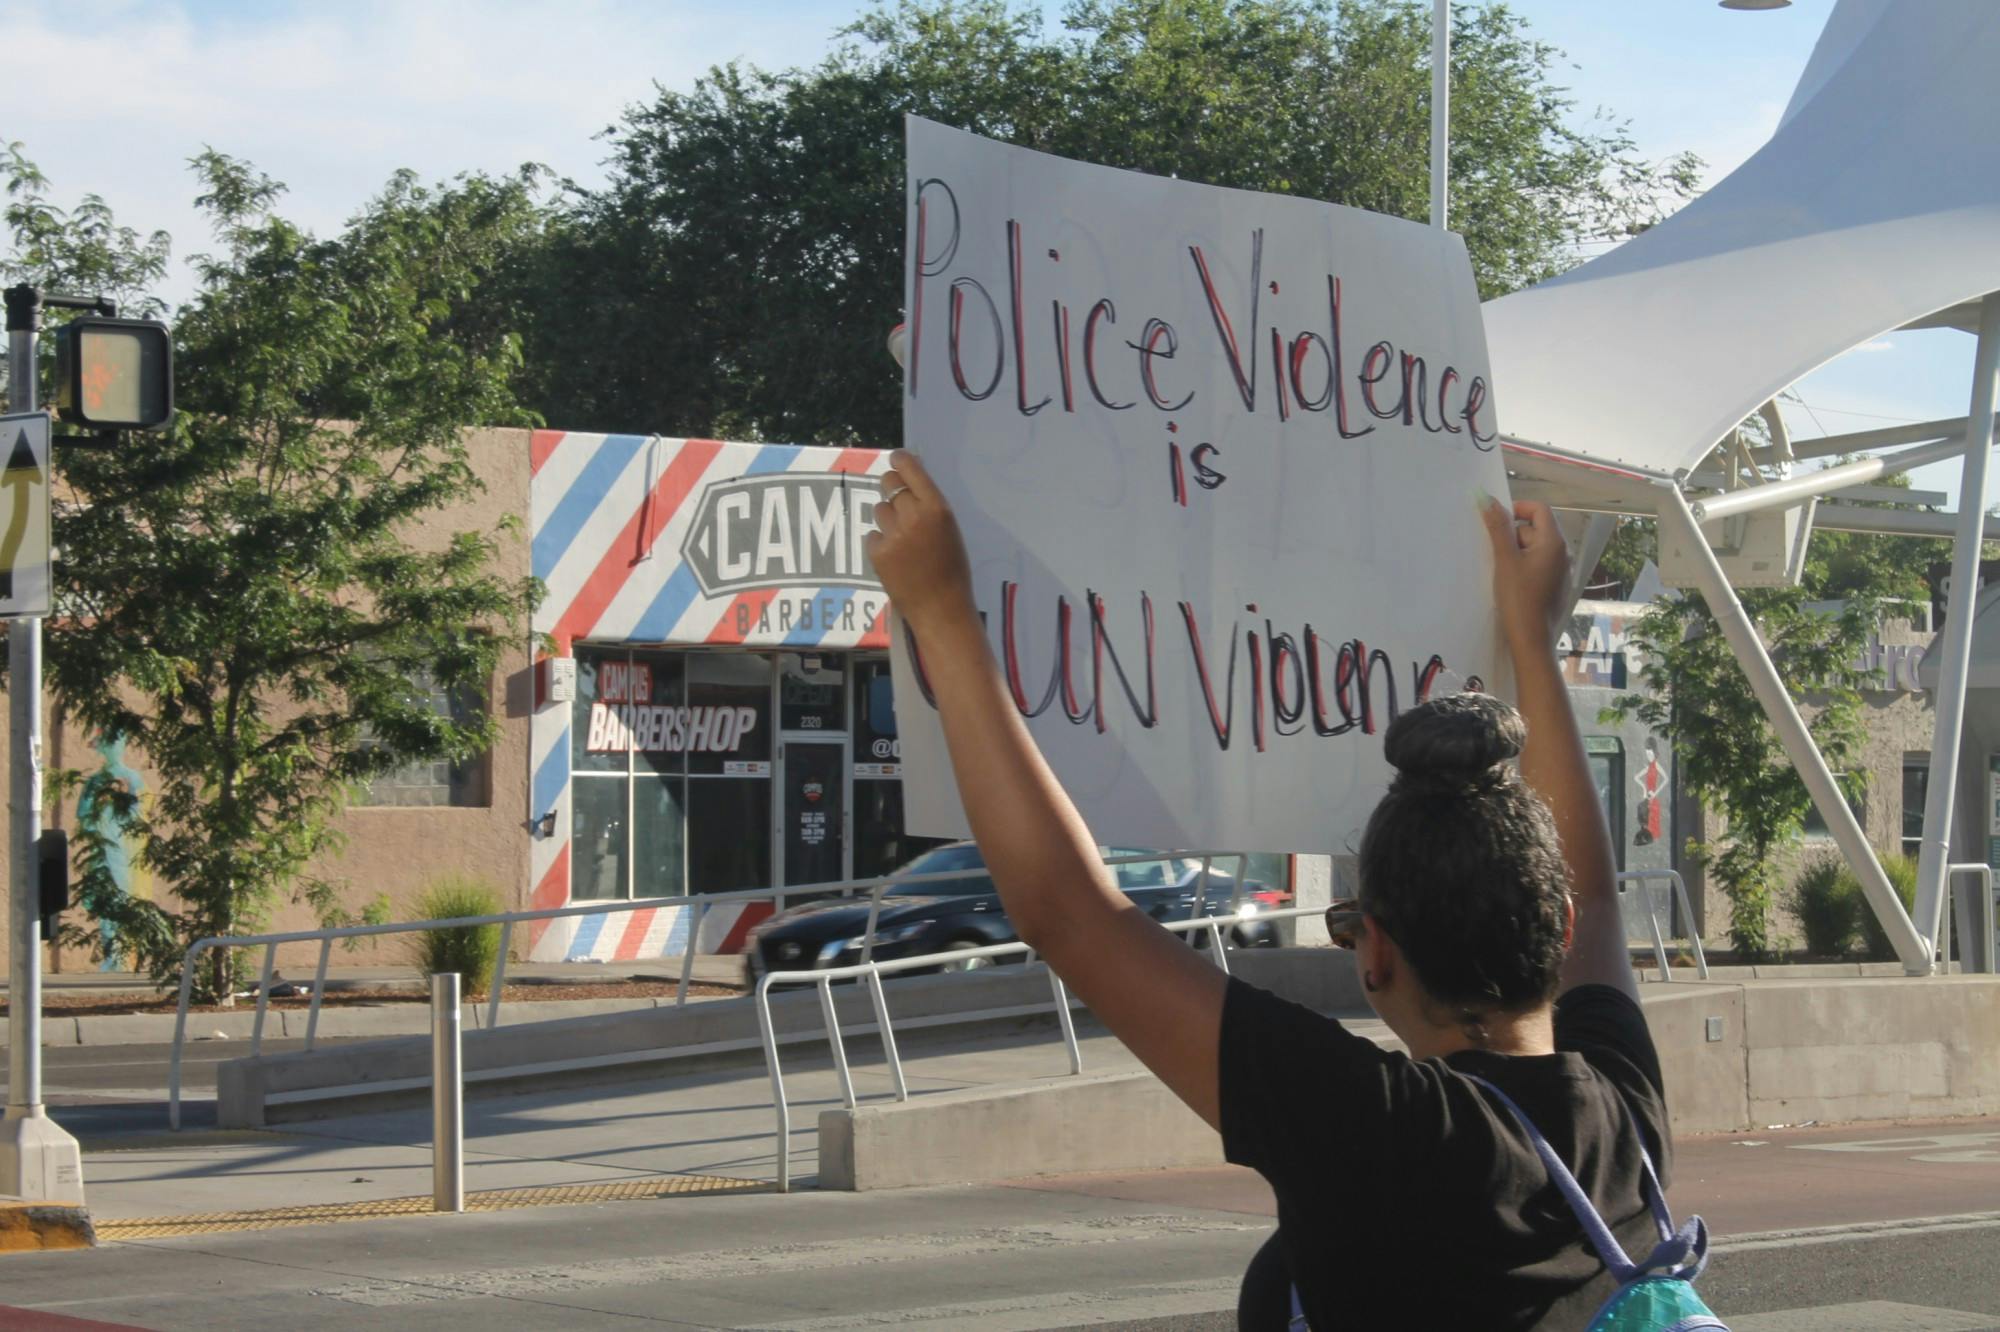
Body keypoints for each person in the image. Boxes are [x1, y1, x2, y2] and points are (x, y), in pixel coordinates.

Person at [866, 455, 1673, 1329]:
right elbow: (1594, 894)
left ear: (1376, 953)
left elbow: (1070, 917)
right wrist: (1533, 640)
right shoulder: (1622, 1115)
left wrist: (944, 614)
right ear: (1548, 929)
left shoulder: (1379, 1130)